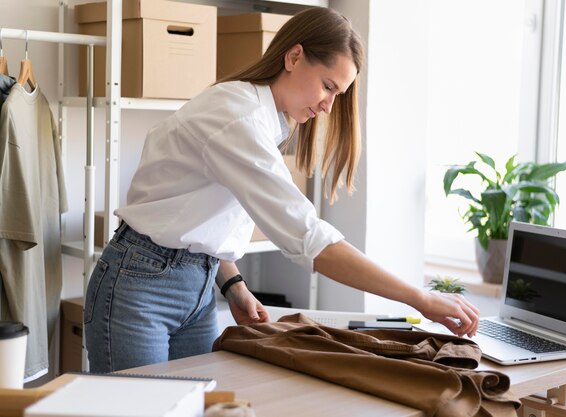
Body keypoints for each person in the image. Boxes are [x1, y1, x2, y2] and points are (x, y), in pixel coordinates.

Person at [84, 7, 480, 373]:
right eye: (327, 86)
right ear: (293, 58)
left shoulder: (266, 121)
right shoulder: (236, 117)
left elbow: (195, 216)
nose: (328, 106)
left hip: (199, 289)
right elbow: (312, 241)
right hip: (141, 287)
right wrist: (421, 299)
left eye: (337, 94)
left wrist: (232, 284)